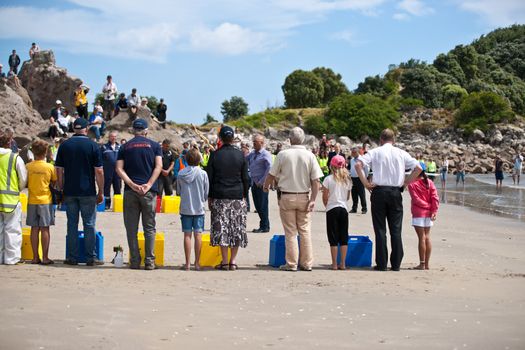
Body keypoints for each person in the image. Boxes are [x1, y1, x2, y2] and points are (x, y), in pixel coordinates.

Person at [355, 129, 422, 271]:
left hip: (379, 191)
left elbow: (358, 164)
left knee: (380, 229)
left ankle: (382, 263)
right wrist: (405, 183)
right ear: (394, 140)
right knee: (396, 229)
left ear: (381, 139)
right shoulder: (401, 153)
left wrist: (366, 183)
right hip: (395, 191)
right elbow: (418, 168)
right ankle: (396, 263)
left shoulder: (375, 152)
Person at [263, 127, 323, 272]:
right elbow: (315, 181)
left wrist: (266, 186)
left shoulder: (283, 154)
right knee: (305, 230)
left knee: (290, 232)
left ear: (290, 139)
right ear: (303, 139)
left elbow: (271, 175)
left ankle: (291, 263)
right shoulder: (310, 155)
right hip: (304, 196)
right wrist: (313, 199)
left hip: (287, 196)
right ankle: (307, 263)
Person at [55, 118, 104, 266]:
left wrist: (61, 189)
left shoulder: (65, 145)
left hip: (69, 191)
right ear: (87, 128)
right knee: (89, 224)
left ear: (73, 128)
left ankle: (72, 257)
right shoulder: (93, 145)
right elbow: (99, 171)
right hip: (88, 191)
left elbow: (59, 170)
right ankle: (91, 257)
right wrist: (101, 191)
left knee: (72, 224)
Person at [115, 119, 162, 270]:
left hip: (130, 191)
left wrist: (132, 184)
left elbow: (119, 169)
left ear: (133, 130)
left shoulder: (125, 146)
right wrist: (148, 184)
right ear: (146, 131)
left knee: (131, 228)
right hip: (149, 192)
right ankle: (150, 261)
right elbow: (159, 166)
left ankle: (135, 260)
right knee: (149, 228)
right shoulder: (155, 146)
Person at [206, 126, 249, 271]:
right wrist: (244, 195)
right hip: (237, 196)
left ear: (220, 138)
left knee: (221, 228)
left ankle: (224, 261)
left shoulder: (215, 155)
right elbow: (246, 178)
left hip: (220, 195)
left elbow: (209, 178)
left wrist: (210, 196)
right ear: (233, 138)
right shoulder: (241, 155)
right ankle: (233, 261)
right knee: (236, 228)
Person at [176, 148, 209, 271]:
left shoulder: (181, 173)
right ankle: (197, 263)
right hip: (199, 208)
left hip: (186, 207)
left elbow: (178, 192)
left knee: (187, 235)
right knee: (198, 235)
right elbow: (206, 193)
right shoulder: (203, 173)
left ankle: (187, 263)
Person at [26, 140, 56, 265]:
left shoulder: (28, 166)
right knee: (45, 228)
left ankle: (34, 257)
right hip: (45, 200)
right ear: (45, 152)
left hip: (32, 199)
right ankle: (45, 257)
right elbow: (54, 182)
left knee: (34, 228)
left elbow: (25, 181)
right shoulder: (49, 167)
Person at [0, 130, 27, 265]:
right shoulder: (15, 158)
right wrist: (18, 189)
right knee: (12, 229)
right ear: (9, 142)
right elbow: (23, 178)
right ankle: (11, 259)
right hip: (11, 199)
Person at [322, 155, 352, 270]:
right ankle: (343, 263)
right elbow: (348, 197)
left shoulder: (328, 179)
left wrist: (327, 205)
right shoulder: (347, 179)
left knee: (333, 237)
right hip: (343, 208)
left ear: (332, 166)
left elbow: (325, 196)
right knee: (344, 236)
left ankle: (334, 264)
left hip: (332, 208)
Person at [408, 167, 439, 270]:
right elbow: (435, 197)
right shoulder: (429, 182)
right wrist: (433, 210)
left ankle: (422, 264)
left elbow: (416, 200)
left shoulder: (412, 184)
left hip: (419, 213)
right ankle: (426, 264)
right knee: (427, 237)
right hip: (429, 213)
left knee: (422, 238)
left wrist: (429, 207)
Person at [247, 134, 272, 233]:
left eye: (255, 142)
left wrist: (262, 181)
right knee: (257, 205)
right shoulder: (253, 153)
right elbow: (244, 159)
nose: (253, 143)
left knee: (263, 205)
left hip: (262, 185)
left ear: (261, 143)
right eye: (253, 142)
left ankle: (265, 226)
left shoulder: (265, 154)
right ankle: (263, 225)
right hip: (254, 183)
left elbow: (270, 167)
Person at [101, 131, 121, 210]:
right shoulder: (104, 147)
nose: (113, 138)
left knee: (118, 188)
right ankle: (107, 204)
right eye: (112, 136)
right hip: (107, 171)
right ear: (109, 137)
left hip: (117, 172)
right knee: (106, 188)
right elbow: (100, 159)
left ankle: (118, 205)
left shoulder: (120, 147)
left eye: (115, 136)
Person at [348, 146, 368, 214]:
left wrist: (365, 177)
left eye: (354, 152)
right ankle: (354, 208)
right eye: (352, 152)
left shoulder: (362, 159)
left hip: (360, 179)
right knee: (354, 194)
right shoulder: (351, 160)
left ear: (357, 152)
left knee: (361, 194)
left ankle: (364, 208)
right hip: (353, 178)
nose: (353, 154)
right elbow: (351, 168)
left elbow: (366, 169)